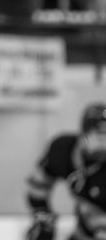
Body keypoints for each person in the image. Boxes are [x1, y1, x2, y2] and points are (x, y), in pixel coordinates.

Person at [25, 103, 106, 240]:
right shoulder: (63, 149)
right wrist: (43, 217)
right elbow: (38, 187)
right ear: (85, 133)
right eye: (101, 134)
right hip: (86, 224)